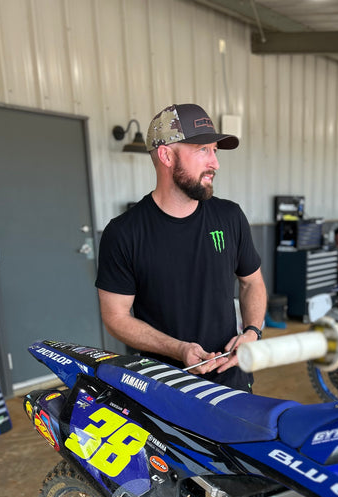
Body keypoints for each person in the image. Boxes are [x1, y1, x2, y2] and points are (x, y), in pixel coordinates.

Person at [95, 103, 267, 392]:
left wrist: (252, 331)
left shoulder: (230, 216)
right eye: (203, 150)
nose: (215, 163)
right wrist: (178, 349)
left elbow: (252, 283)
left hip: (232, 382)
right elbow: (115, 316)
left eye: (214, 150)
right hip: (164, 389)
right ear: (166, 155)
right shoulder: (124, 233)